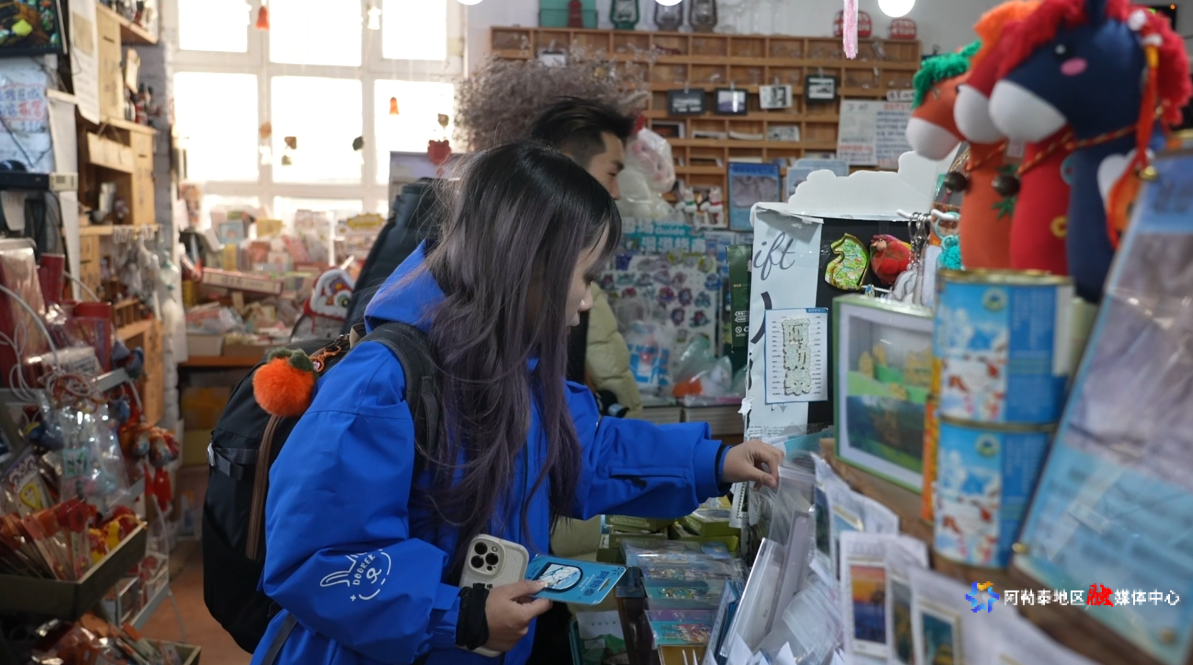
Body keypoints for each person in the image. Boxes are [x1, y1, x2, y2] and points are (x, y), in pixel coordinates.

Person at [250, 142, 783, 665]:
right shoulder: (378, 383)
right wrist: (459, 615)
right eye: (584, 276)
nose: (586, 300)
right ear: (527, 265)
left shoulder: (512, 367)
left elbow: (586, 451)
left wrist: (713, 461)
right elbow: (319, 557)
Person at [342, 98, 643, 418]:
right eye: (611, 172)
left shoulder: (529, 297)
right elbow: (377, 347)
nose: (616, 192)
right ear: (560, 169)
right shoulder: (383, 381)